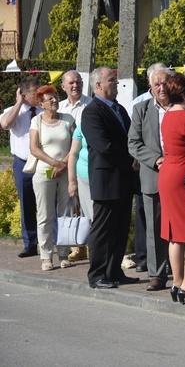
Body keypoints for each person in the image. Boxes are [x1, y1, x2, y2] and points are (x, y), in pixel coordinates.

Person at [81, 67, 140, 289]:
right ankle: (97, 275)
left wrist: (135, 158)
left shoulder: (119, 109)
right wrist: (130, 161)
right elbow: (103, 146)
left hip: (124, 179)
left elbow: (129, 139)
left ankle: (114, 271)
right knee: (104, 228)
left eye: (115, 80)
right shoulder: (92, 112)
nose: (116, 84)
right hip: (106, 180)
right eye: (111, 80)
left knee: (121, 227)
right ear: (98, 85)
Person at [127, 68, 174, 293]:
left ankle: (184, 273)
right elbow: (133, 143)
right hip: (153, 175)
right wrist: (156, 160)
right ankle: (157, 274)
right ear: (151, 86)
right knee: (154, 228)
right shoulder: (141, 109)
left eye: (165, 83)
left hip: (181, 177)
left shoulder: (181, 106)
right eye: (157, 84)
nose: (161, 88)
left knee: (180, 225)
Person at [158, 73, 185, 303]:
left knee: (175, 234)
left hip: (167, 173)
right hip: (183, 175)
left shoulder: (167, 115)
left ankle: (177, 283)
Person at [28, 85, 76, 271]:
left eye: (56, 97)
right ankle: (46, 256)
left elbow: (75, 143)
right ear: (41, 104)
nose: (55, 100)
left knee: (64, 214)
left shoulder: (68, 119)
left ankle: (64, 253)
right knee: (45, 216)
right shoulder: (36, 121)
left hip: (65, 172)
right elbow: (34, 148)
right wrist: (54, 164)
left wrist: (63, 164)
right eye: (50, 99)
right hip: (44, 172)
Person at [1, 77, 41, 258]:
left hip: (44, 164)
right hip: (23, 164)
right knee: (27, 203)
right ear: (24, 95)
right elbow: (5, 124)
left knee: (50, 201)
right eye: (35, 92)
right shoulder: (13, 111)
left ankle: (53, 241)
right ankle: (30, 243)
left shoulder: (44, 110)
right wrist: (18, 103)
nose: (40, 94)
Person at [58, 70, 93, 262]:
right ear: (63, 87)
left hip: (84, 166)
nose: (75, 86)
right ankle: (78, 245)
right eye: (71, 83)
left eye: (78, 82)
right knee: (73, 208)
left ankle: (88, 245)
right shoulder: (59, 107)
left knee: (88, 208)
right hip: (65, 168)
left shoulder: (91, 105)